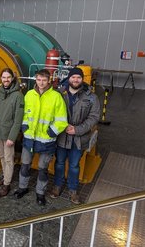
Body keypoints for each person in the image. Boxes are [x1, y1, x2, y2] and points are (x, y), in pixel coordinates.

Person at [15, 69, 68, 206]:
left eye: (44, 80)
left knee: (42, 169)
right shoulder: (29, 95)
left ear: (49, 80)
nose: (41, 83)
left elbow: (62, 120)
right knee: (25, 165)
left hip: (46, 140)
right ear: (35, 79)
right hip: (29, 138)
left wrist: (52, 131)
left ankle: (40, 193)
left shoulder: (56, 97)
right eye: (39, 80)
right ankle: (22, 188)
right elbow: (24, 114)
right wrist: (24, 126)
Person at [50, 67, 100, 204]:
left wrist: (77, 129)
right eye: (73, 77)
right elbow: (51, 112)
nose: (75, 80)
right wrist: (62, 126)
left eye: (78, 77)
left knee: (74, 165)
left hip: (78, 138)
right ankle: (57, 186)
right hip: (61, 136)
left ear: (82, 79)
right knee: (59, 163)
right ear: (69, 78)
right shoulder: (59, 93)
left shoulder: (91, 96)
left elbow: (94, 117)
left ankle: (73, 190)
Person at [0, 68, 24, 198]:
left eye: (8, 77)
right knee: (1, 156)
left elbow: (18, 119)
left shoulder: (18, 96)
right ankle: (5, 177)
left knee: (8, 159)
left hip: (8, 134)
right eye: (4, 77)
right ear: (1, 78)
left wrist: (12, 137)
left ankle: (7, 184)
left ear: (12, 78)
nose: (6, 80)